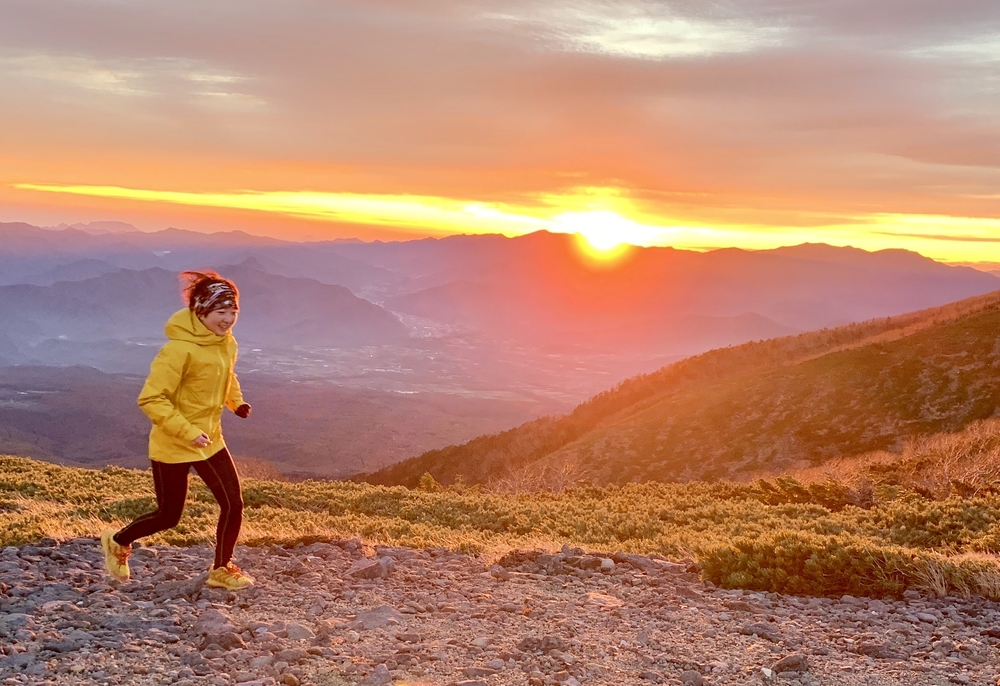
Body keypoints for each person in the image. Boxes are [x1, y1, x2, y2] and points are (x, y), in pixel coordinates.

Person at [100, 271, 254, 590]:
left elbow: (227, 376)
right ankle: (117, 541)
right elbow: (151, 398)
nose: (227, 319)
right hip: (173, 444)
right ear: (201, 312)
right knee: (169, 516)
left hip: (210, 440)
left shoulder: (226, 343)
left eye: (232, 312)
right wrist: (186, 432)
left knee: (233, 503)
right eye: (220, 312)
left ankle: (221, 568)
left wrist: (236, 402)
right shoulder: (177, 351)